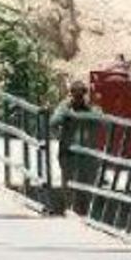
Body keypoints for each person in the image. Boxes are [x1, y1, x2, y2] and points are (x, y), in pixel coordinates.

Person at [49, 80, 92, 212]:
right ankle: (69, 208)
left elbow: (102, 118)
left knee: (85, 181)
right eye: (76, 95)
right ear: (71, 94)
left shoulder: (89, 107)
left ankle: (83, 210)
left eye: (81, 95)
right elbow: (53, 122)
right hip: (68, 151)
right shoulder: (64, 107)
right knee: (68, 180)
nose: (78, 98)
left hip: (85, 152)